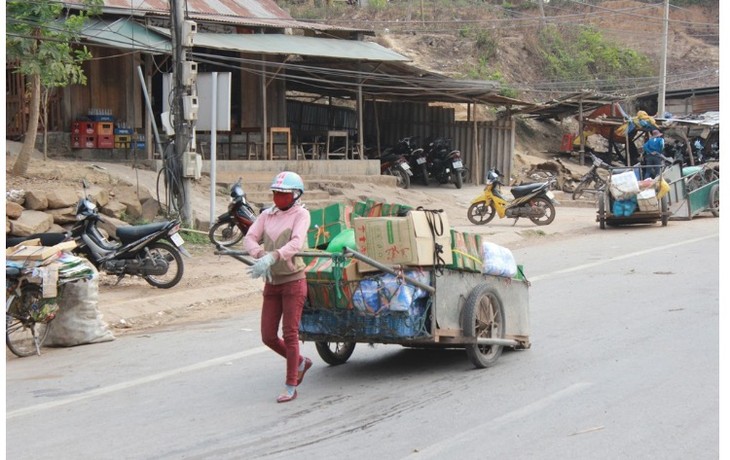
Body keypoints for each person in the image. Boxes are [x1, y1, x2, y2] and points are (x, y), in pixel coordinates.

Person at [243, 171, 312, 403]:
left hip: (294, 281)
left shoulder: (301, 214)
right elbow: (250, 237)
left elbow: (296, 242)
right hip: (272, 282)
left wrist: (274, 256)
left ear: (295, 194)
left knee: (290, 334)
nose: (278, 197)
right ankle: (301, 362)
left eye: (283, 193)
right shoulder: (266, 215)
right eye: (275, 193)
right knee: (268, 336)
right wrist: (259, 254)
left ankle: (291, 384)